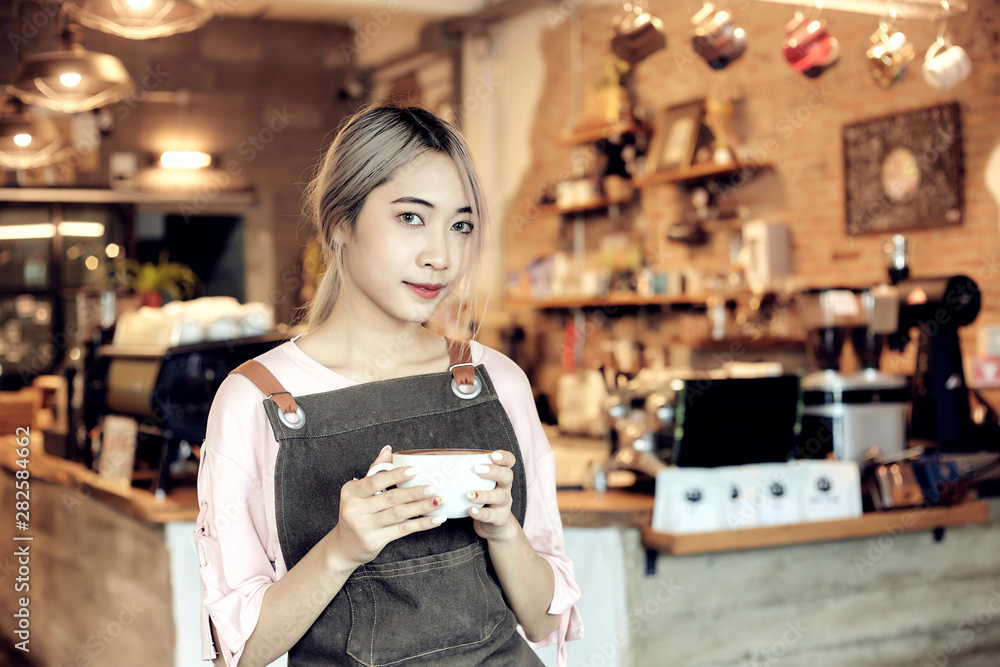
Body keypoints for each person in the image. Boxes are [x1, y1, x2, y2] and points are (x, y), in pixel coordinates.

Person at [195, 103, 583, 667]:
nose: (441, 257)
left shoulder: (499, 381)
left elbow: (545, 620)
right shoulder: (254, 399)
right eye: (410, 217)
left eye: (461, 224)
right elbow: (244, 650)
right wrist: (341, 550)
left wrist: (502, 532)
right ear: (340, 223)